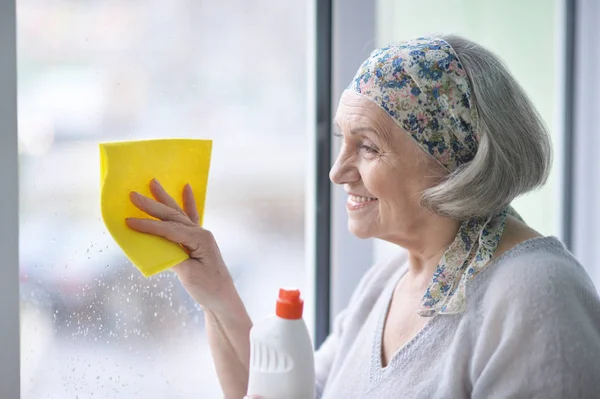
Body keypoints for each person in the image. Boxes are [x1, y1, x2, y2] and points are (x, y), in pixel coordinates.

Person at [125, 35, 600, 398]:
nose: (337, 172)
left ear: (455, 160)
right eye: (341, 142)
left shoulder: (536, 294)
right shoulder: (389, 280)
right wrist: (216, 295)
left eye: (368, 147)